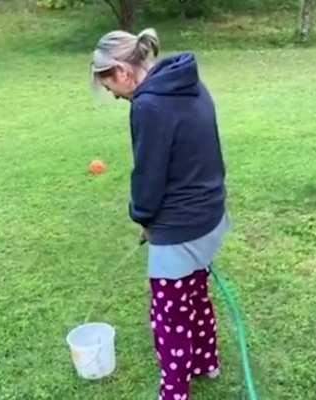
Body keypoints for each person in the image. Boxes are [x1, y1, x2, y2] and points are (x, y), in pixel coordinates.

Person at [90, 28, 231, 400]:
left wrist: (142, 216)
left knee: (169, 316)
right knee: (196, 294)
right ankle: (206, 361)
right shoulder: (191, 84)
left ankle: (174, 392)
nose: (116, 96)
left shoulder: (148, 105)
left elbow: (148, 178)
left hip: (181, 229)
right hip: (212, 218)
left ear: (121, 71)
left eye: (110, 88)